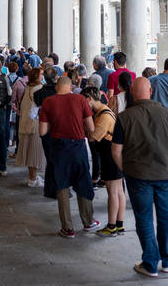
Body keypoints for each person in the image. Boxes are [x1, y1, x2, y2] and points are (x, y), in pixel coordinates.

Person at [111, 77, 168, 277]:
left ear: (133, 92)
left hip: (137, 174)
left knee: (144, 218)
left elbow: (116, 150)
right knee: (166, 217)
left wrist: (126, 170)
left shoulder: (124, 117)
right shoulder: (167, 113)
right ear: (150, 91)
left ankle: (150, 264)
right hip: (165, 173)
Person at [39, 77, 101, 238]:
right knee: (83, 182)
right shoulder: (80, 99)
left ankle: (67, 228)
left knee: (62, 185)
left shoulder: (48, 102)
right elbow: (91, 127)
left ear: (57, 87)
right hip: (78, 146)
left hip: (59, 147)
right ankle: (88, 221)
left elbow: (42, 131)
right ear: (70, 86)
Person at [81, 87, 124, 237]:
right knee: (119, 192)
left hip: (110, 157)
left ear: (90, 99)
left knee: (113, 192)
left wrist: (87, 127)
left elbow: (94, 137)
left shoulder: (104, 115)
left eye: (84, 101)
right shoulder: (102, 112)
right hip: (112, 155)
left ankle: (112, 226)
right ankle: (119, 224)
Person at [16, 68, 46, 188]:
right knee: (34, 153)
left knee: (30, 152)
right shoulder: (38, 89)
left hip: (26, 123)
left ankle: (32, 177)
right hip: (35, 124)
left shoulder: (28, 87)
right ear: (36, 77)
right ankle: (33, 179)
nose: (43, 76)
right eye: (42, 74)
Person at [35, 67, 60, 198]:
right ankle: (57, 188)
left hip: (45, 130)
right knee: (58, 160)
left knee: (50, 159)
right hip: (60, 129)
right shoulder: (60, 93)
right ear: (56, 78)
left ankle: (49, 189)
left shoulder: (38, 94)